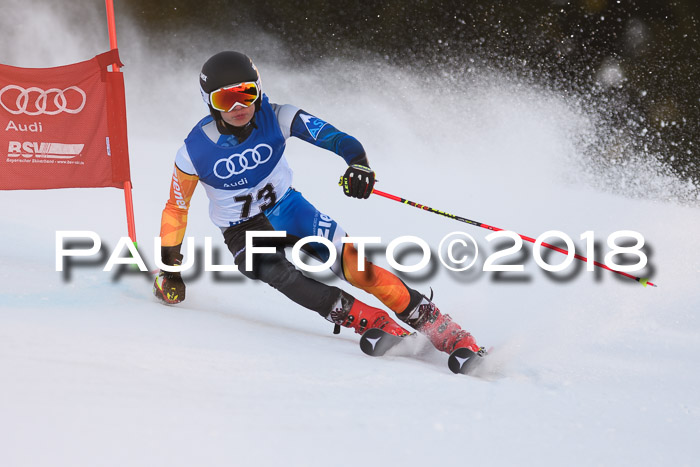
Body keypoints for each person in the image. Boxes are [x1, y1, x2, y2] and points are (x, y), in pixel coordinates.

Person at [153, 51, 481, 355]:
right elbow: (176, 209)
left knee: (356, 268)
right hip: (243, 229)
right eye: (226, 98)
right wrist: (170, 270)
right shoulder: (193, 153)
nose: (239, 106)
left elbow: (337, 138)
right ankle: (371, 320)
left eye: (247, 93)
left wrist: (358, 164)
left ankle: (439, 326)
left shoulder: (279, 117)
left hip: (290, 208)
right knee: (274, 270)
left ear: (259, 90)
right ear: (210, 103)